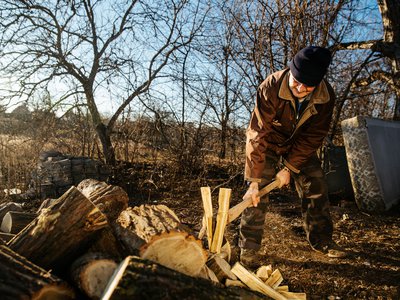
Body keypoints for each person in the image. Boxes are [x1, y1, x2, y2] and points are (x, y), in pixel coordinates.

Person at [239, 46, 347, 267]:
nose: (300, 88)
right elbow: (258, 133)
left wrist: (288, 167)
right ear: (291, 70)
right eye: (297, 81)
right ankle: (248, 248)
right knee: (256, 193)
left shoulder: (325, 97)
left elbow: (314, 136)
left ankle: (322, 240)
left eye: (308, 85)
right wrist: (253, 180)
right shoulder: (271, 86)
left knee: (316, 185)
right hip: (268, 141)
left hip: (300, 146)